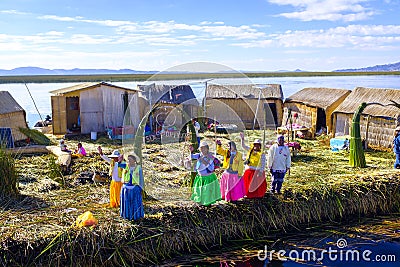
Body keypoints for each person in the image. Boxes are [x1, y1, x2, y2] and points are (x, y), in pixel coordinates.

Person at [190, 141, 221, 206]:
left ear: (207, 149)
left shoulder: (210, 157)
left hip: (208, 177)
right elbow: (191, 156)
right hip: (200, 177)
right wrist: (191, 151)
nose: (202, 150)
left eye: (204, 148)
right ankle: (199, 201)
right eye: (201, 148)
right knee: (198, 190)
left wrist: (204, 162)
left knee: (207, 191)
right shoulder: (199, 155)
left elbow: (211, 169)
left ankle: (207, 203)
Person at [240, 132, 267, 198]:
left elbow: (263, 163)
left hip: (257, 171)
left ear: (260, 146)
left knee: (256, 185)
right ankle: (247, 194)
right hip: (249, 170)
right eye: (255, 145)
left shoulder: (262, 154)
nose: (256, 146)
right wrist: (242, 139)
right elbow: (243, 146)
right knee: (247, 184)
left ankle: (256, 195)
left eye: (258, 145)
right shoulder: (250, 150)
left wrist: (261, 172)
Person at [120, 154, 144, 220]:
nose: (128, 161)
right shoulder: (125, 166)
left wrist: (141, 188)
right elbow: (119, 164)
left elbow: (141, 179)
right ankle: (126, 215)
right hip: (126, 188)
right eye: (128, 160)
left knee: (134, 202)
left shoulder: (138, 168)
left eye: (130, 160)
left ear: (134, 161)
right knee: (127, 202)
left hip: (135, 188)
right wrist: (120, 160)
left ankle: (135, 216)